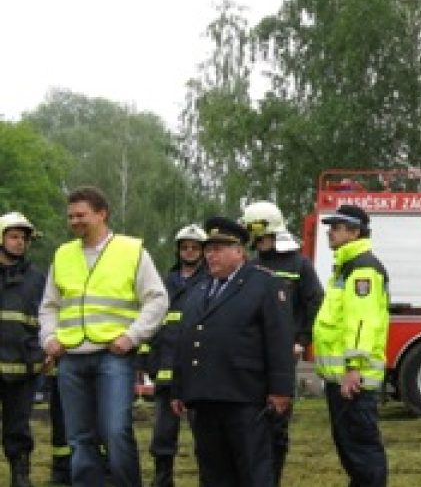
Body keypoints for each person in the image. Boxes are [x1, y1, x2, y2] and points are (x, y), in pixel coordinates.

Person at [38, 186, 169, 487]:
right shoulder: (62, 255)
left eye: (81, 215)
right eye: (70, 216)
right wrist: (49, 339)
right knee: (79, 438)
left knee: (115, 431)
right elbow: (49, 306)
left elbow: (157, 300)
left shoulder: (132, 251)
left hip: (114, 357)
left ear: (102, 214)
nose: (74, 222)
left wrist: (133, 336)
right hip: (70, 359)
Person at [170, 217, 294, 487]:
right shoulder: (199, 289)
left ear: (239, 251)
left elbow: (279, 339)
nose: (210, 255)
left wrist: (281, 389)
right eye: (208, 249)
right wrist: (178, 387)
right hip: (204, 396)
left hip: (245, 395)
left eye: (218, 249)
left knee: (252, 468)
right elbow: (185, 339)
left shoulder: (264, 284)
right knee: (213, 470)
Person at [240, 201, 323, 484]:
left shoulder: (298, 264)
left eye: (259, 234)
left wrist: (302, 340)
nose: (255, 241)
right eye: (252, 235)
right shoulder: (250, 265)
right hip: (252, 355)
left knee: (277, 423)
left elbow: (315, 304)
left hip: (284, 356)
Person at [313, 204, 389, 487]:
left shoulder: (362, 269)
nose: (329, 232)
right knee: (352, 450)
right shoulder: (347, 266)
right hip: (344, 380)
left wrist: (353, 367)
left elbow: (361, 322)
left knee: (361, 451)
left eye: (336, 227)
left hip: (353, 381)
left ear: (355, 231)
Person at [139, 224, 208, 487]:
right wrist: (147, 359)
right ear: (178, 250)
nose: (189, 251)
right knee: (163, 431)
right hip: (166, 368)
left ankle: (208, 476)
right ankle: (162, 476)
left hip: (198, 369)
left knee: (204, 431)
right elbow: (150, 320)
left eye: (194, 247)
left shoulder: (210, 282)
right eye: (184, 247)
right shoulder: (164, 283)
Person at [0, 212, 46, 487]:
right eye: (14, 237)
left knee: (18, 428)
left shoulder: (37, 278)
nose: (20, 243)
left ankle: (21, 475)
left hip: (22, 367)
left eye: (24, 238)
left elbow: (47, 317)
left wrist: (41, 354)